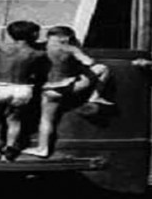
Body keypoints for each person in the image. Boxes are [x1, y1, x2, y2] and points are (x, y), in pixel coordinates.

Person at [23, 26, 112, 158]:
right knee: (103, 68)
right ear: (66, 37)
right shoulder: (69, 49)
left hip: (49, 89)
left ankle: (42, 148)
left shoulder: (41, 48)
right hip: (69, 86)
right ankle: (95, 97)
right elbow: (89, 62)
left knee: (46, 120)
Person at [0, 21, 47, 161]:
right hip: (22, 88)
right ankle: (10, 147)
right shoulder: (37, 53)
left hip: (0, 86)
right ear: (32, 34)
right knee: (14, 120)